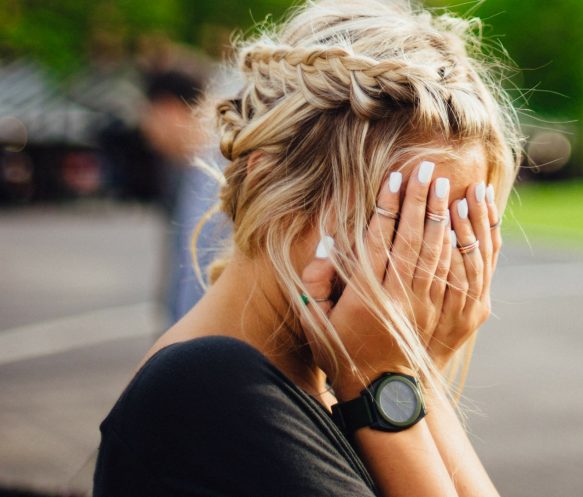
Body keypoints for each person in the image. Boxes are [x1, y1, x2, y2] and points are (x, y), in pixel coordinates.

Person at [92, 0, 523, 495]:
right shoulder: (209, 389)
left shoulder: (332, 375)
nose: (431, 265)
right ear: (272, 183)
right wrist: (381, 381)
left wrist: (408, 376)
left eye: (456, 227)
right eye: (401, 219)